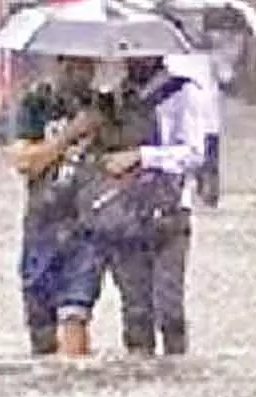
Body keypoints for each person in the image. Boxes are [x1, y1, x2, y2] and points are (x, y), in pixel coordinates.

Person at [81, 57, 204, 356]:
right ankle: (140, 375)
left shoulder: (181, 92)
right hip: (124, 213)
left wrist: (142, 156)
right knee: (135, 312)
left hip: (169, 212)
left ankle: (175, 370)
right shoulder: (114, 98)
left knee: (169, 308)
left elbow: (194, 154)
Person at [7, 58, 103, 356]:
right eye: (72, 64)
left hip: (86, 225)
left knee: (76, 313)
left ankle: (77, 388)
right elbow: (24, 162)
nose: (81, 72)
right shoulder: (37, 102)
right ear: (58, 63)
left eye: (87, 65)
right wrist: (68, 136)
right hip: (42, 223)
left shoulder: (104, 106)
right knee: (41, 329)